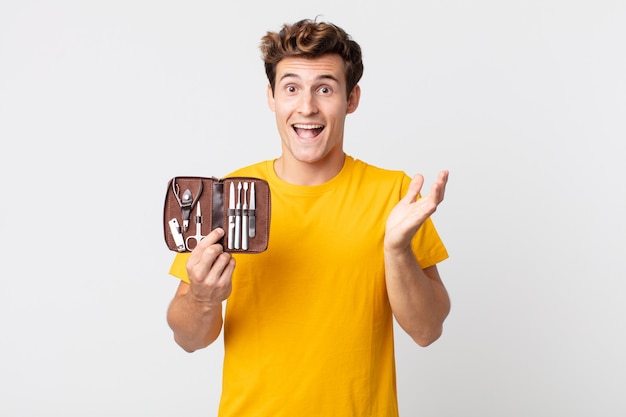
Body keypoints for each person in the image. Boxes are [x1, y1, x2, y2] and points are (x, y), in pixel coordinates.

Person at [166, 18, 451, 417]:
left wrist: (398, 250)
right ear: (272, 97)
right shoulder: (227, 195)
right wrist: (201, 297)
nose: (306, 107)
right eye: (292, 88)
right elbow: (188, 338)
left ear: (351, 99)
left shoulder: (394, 196)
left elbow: (427, 330)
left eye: (325, 89)